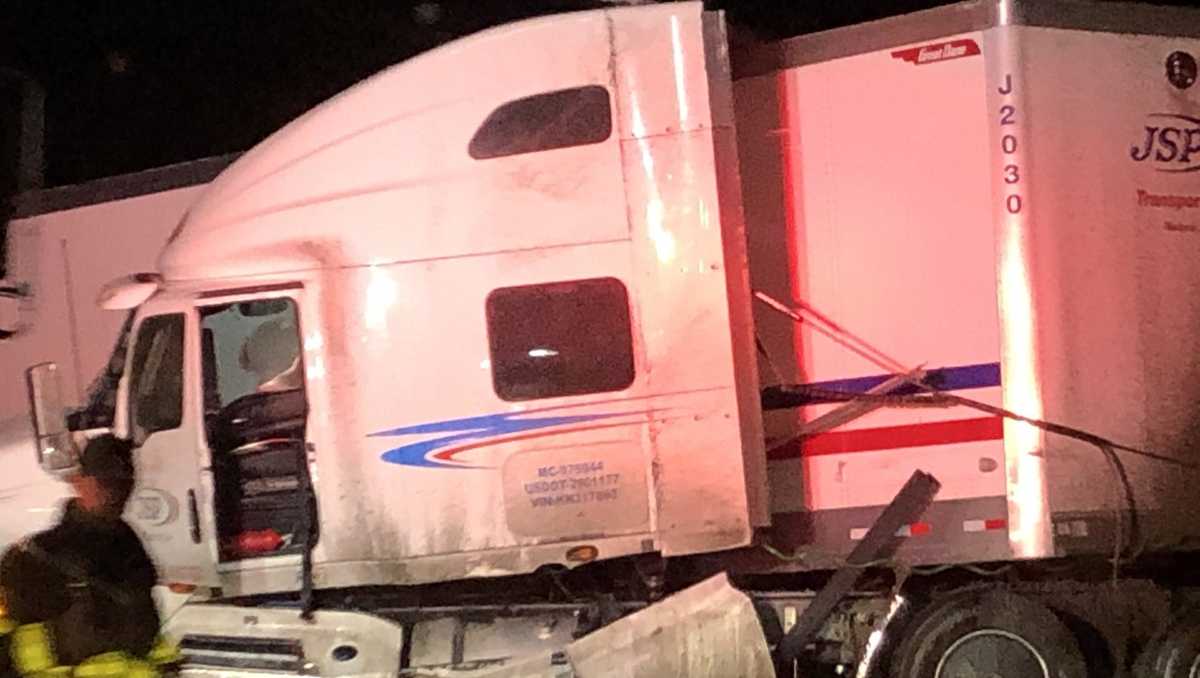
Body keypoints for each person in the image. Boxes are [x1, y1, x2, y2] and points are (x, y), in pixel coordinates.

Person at [0, 435, 180, 676]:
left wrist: (169, 669)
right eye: (106, 483)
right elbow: (20, 653)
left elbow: (149, 628)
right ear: (78, 482)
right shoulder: (37, 557)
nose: (118, 493)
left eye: (125, 483)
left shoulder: (128, 544)